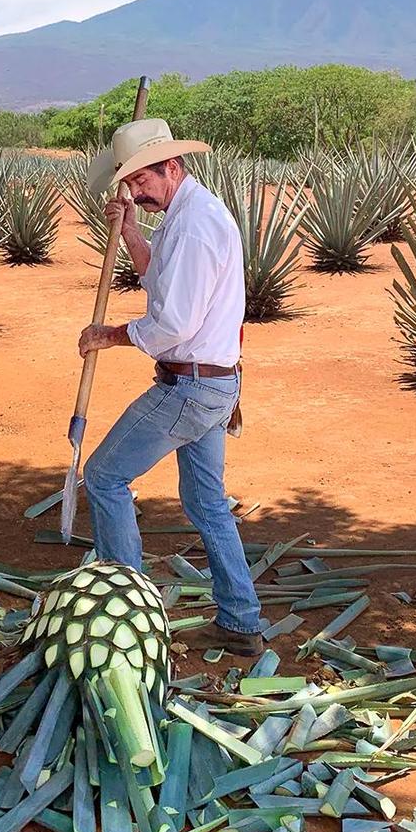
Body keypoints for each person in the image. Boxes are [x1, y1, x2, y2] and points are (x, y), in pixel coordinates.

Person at [75, 118, 264, 655]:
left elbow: (173, 324)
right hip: (210, 385)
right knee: (206, 503)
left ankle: (126, 618)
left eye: (142, 183)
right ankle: (241, 622)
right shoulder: (184, 216)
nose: (136, 192)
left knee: (105, 476)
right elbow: (160, 279)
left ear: (173, 167)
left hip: (190, 388)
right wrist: (132, 230)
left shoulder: (198, 225)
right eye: (130, 185)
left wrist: (109, 335)